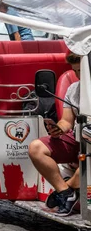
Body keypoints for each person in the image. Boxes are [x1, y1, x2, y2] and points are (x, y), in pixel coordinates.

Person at [28, 52, 81, 216]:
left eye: (82, 71)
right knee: (35, 148)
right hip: (79, 139)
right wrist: (58, 128)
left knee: (88, 164)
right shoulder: (73, 89)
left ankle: (67, 190)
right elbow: (67, 121)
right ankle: (65, 192)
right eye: (76, 71)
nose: (79, 76)